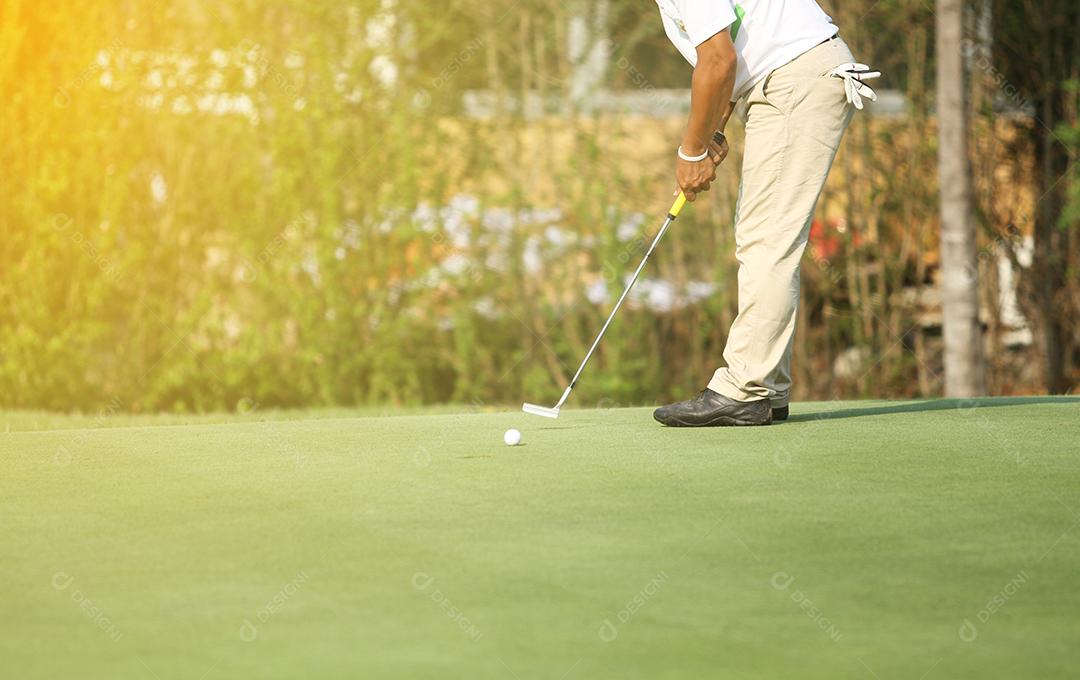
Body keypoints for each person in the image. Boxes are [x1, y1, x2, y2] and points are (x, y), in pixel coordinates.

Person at [651, 0, 879, 427]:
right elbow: (729, 62)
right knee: (765, 235)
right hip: (794, 75)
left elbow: (719, 60)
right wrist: (711, 133)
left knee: (766, 239)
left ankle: (746, 388)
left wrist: (692, 150)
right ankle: (766, 388)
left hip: (795, 77)